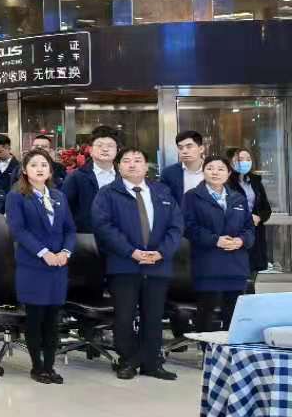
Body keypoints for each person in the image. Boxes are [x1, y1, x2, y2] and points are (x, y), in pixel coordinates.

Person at [92, 147, 183, 381]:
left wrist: (161, 252)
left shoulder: (162, 192)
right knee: (124, 316)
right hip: (124, 265)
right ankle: (128, 361)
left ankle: (152, 363)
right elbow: (103, 227)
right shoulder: (107, 194)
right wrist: (130, 252)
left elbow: (176, 227)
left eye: (138, 160)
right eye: (126, 161)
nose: (132, 164)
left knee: (153, 317)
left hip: (157, 265)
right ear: (119, 166)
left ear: (146, 166)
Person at [5, 151, 75, 384]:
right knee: (35, 319)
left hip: (58, 267)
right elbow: (18, 230)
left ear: (51, 170)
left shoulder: (58, 196)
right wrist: (44, 253)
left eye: (44, 165)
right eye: (34, 165)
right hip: (33, 265)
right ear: (25, 170)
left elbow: (69, 229)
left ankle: (50, 366)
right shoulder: (16, 196)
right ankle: (37, 367)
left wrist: (65, 252)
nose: (39, 168)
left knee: (53, 320)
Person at [183, 155, 255, 333]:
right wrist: (216, 240)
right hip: (208, 265)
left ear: (229, 173)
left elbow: (249, 229)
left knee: (234, 316)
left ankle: (230, 349)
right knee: (207, 315)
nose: (215, 172)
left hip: (235, 265)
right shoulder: (192, 197)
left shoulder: (238, 198)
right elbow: (188, 227)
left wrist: (241, 240)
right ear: (203, 172)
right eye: (210, 168)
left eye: (221, 169)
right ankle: (207, 349)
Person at [228, 147, 273, 280]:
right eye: (240, 159)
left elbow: (266, 208)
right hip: (235, 233)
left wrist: (259, 217)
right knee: (236, 275)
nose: (245, 162)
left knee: (251, 275)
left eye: (248, 159)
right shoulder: (226, 182)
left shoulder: (255, 181)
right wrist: (246, 218)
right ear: (231, 161)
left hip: (255, 233)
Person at [64, 126, 120, 232]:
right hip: (86, 237)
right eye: (99, 145)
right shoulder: (76, 177)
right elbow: (65, 211)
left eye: (110, 146)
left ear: (117, 150)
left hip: (119, 237)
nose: (105, 149)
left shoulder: (124, 177)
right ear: (90, 150)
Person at [161, 129, 206, 195]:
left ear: (201, 149)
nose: (184, 151)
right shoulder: (168, 173)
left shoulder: (214, 170)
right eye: (180, 148)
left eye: (189, 147)